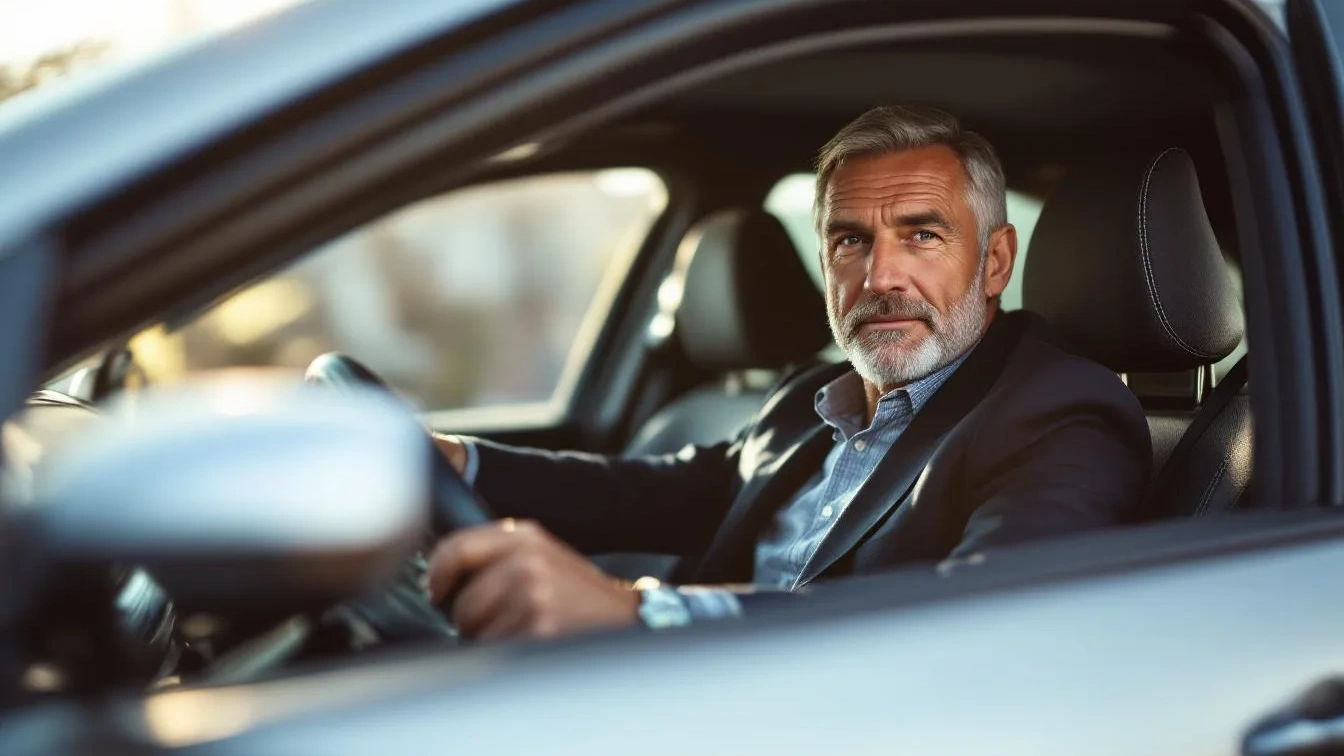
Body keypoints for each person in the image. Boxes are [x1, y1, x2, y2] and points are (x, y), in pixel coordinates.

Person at [426, 105, 1151, 641]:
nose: (880, 277)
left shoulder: (1063, 413)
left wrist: (638, 612)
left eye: (922, 235)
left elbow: (985, 620)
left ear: (994, 262)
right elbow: (659, 493)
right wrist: (458, 463)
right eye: (850, 241)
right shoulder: (814, 396)